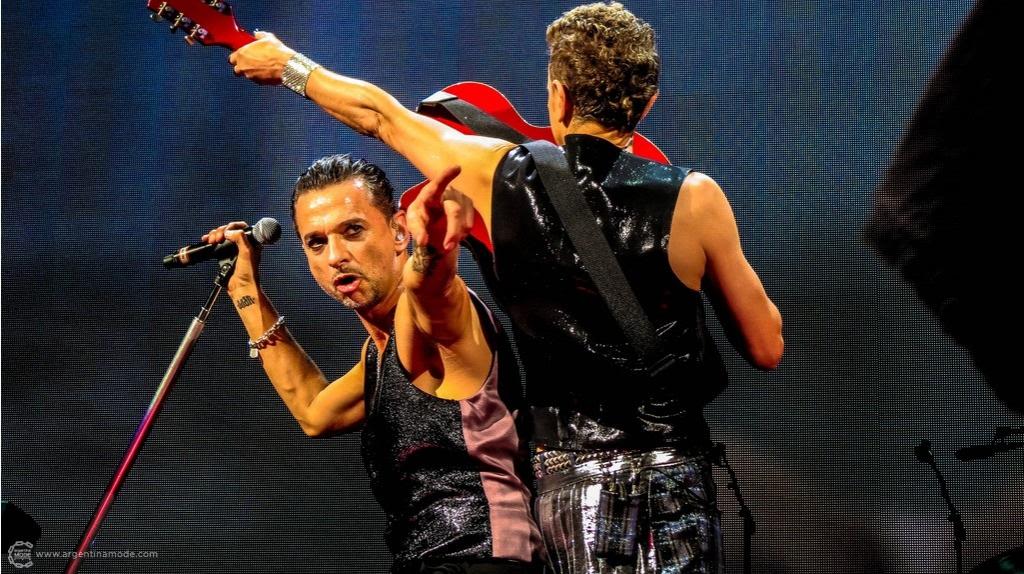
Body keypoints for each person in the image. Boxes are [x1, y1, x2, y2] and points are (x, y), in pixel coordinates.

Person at [228, 3, 783, 572]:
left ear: (558, 97)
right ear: (647, 104)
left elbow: (380, 116)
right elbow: (766, 347)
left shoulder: (496, 176)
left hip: (571, 485)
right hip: (676, 475)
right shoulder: (696, 197)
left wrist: (287, 64)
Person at [204, 155, 544, 574]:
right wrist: (244, 288)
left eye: (353, 231)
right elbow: (315, 413)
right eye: (317, 242)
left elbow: (430, 288)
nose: (335, 256)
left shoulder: (431, 319)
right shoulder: (381, 351)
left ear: (400, 231)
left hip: (483, 558)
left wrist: (434, 247)